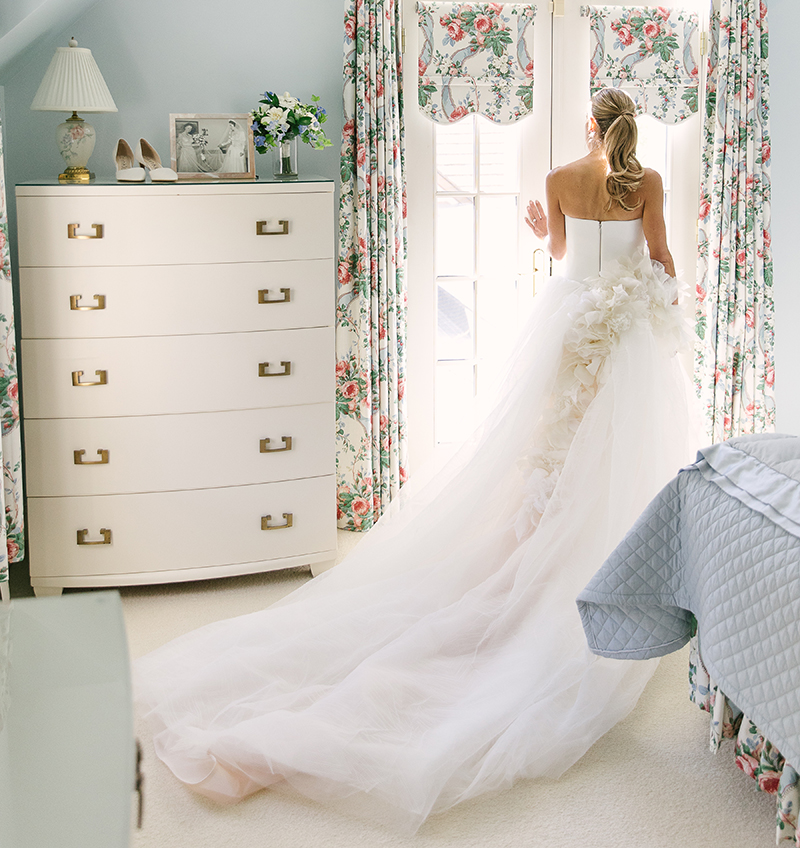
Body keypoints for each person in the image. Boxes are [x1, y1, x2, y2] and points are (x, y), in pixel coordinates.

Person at [135, 87, 703, 833]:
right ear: (630, 127)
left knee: (546, 451)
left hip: (569, 329)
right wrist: (651, 299)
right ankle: (599, 573)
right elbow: (660, 260)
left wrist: (543, 229)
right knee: (614, 459)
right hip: (623, 335)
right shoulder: (650, 184)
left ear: (589, 127)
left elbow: (565, 258)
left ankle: (531, 556)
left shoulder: (561, 180)